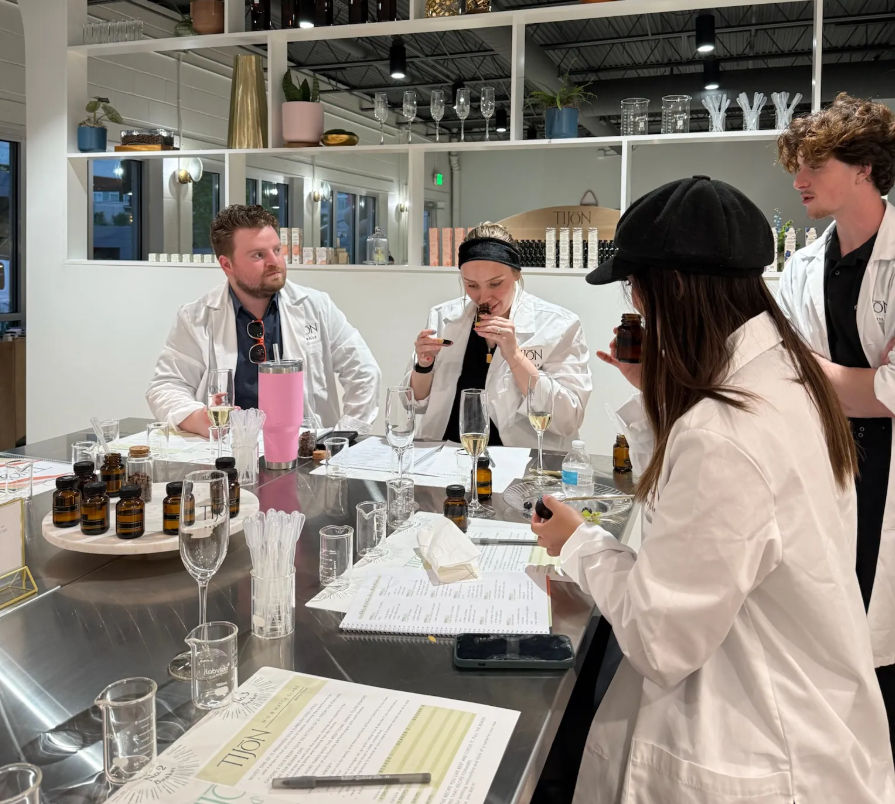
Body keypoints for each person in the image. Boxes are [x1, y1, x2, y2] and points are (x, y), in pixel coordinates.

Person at [532, 176, 895, 801]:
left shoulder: (726, 432)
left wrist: (579, 543)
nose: (637, 308)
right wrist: (657, 392)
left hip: (753, 743)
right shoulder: (784, 372)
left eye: (635, 290)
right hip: (802, 708)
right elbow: (705, 515)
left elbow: (658, 638)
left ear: (667, 290)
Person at [776, 93, 895, 746]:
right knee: (826, 635)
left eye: (813, 164)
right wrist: (861, 382)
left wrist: (812, 370)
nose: (796, 179)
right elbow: (780, 375)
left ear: (863, 168)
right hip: (827, 465)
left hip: (887, 480)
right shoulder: (799, 268)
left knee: (883, 651)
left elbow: (885, 394)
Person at [147, 205, 381, 436]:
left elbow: (364, 372)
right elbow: (166, 386)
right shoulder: (196, 317)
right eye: (259, 255)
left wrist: (345, 434)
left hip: (305, 453)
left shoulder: (316, 306)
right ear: (227, 264)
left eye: (277, 250)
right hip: (231, 451)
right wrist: (198, 418)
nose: (275, 262)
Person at [409, 222, 591, 449]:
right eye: (471, 285)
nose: (483, 297)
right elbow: (413, 404)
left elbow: (568, 419)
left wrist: (515, 356)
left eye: (495, 284)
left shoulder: (559, 324)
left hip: (521, 460)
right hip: (447, 453)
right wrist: (424, 365)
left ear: (516, 274)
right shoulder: (443, 317)